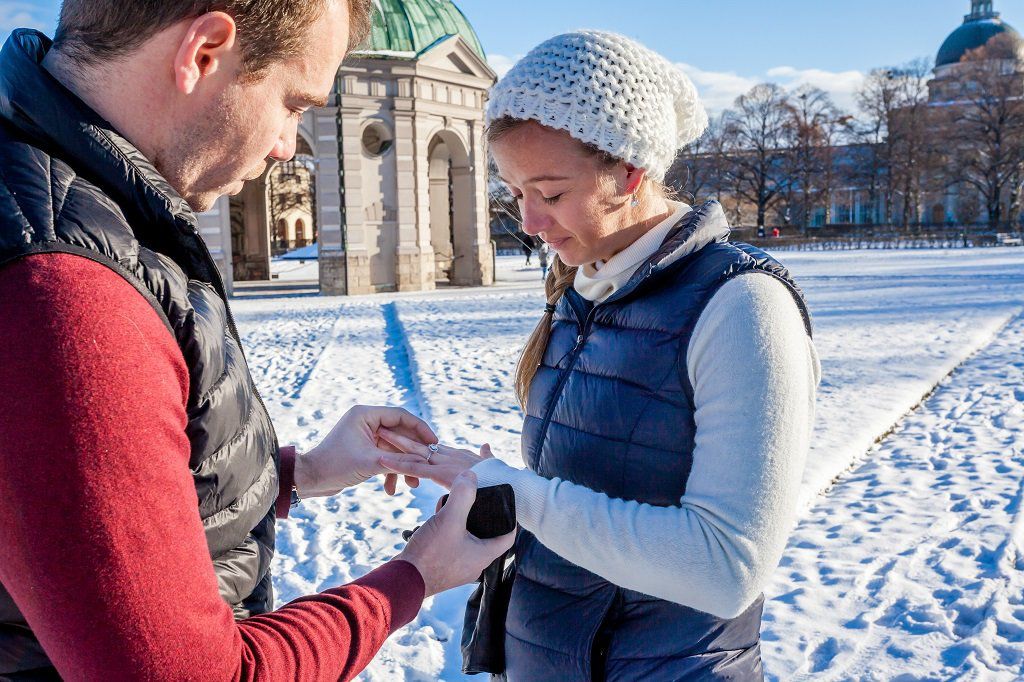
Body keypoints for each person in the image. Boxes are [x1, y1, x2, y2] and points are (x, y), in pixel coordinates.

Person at [0, 2, 512, 679]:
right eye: (294, 104)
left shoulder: (76, 205)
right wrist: (414, 577)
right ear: (204, 53)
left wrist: (298, 474)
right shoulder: (65, 294)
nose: (288, 146)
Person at [379, 30, 821, 680]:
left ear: (631, 172)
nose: (527, 221)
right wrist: (484, 481)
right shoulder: (583, 286)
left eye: (551, 194)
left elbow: (726, 568)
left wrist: (522, 494)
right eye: (514, 192)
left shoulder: (740, 305)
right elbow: (577, 496)